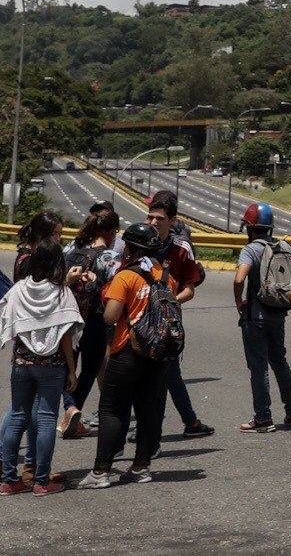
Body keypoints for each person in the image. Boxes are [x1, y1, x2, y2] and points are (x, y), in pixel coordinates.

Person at [77, 223, 179, 488]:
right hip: (158, 351)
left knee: (112, 409)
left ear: (130, 247)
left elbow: (110, 316)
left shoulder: (126, 276)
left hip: (128, 349)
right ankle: (141, 467)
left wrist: (98, 292)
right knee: (147, 408)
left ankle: (100, 473)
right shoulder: (167, 275)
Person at [0, 238, 82, 496]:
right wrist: (72, 371)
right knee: (46, 420)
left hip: (21, 362)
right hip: (52, 366)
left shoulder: (19, 289)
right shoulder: (62, 292)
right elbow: (66, 334)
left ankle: (9, 479)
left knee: (18, 417)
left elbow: (1, 315)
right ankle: (41, 481)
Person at [233, 201, 291, 433]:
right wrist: (285, 294)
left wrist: (239, 302)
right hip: (278, 314)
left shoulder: (251, 249)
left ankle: (263, 418)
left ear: (250, 228)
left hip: (256, 316)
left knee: (259, 368)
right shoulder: (283, 245)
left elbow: (238, 279)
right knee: (280, 362)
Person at [146, 192, 213, 439]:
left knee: (167, 371)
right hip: (139, 321)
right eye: (150, 217)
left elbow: (189, 289)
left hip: (168, 320)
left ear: (172, 220)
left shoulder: (181, 248)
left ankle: (153, 431)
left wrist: (166, 302)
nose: (153, 222)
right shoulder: (138, 241)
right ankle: (181, 422)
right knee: (154, 375)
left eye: (159, 218)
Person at [59, 208, 121, 438]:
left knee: (68, 366)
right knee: (92, 367)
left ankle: (70, 409)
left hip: (69, 317)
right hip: (95, 318)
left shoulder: (71, 249)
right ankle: (73, 410)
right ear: (112, 232)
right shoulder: (110, 257)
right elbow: (116, 289)